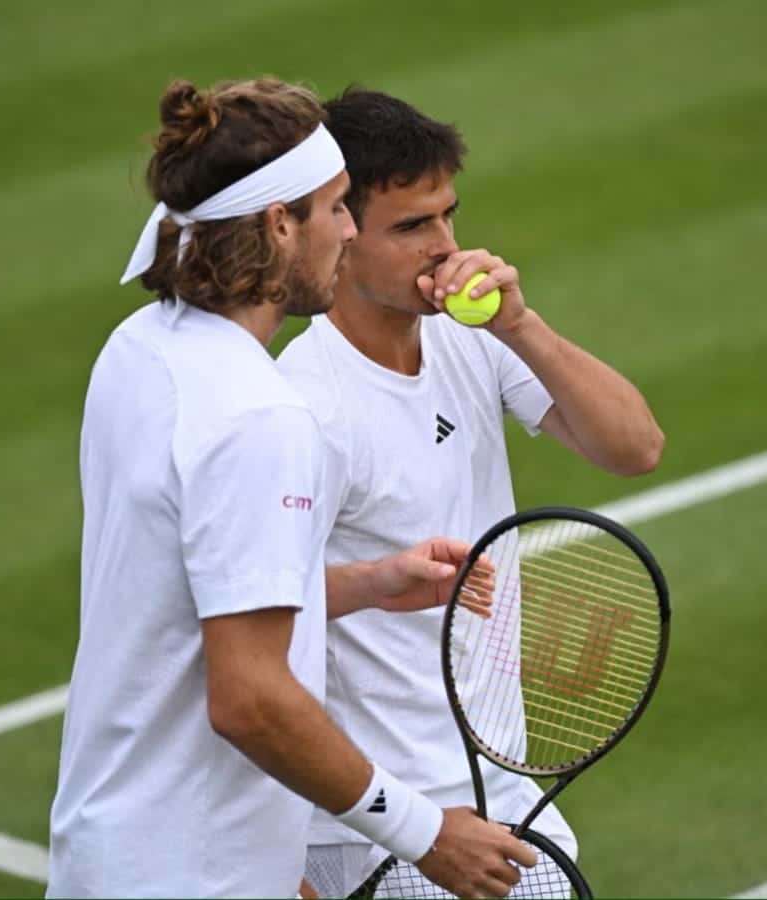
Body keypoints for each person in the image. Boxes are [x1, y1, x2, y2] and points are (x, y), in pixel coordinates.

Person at [46, 78, 535, 899]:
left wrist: (371, 584)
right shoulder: (263, 417)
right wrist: (425, 832)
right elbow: (251, 699)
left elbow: (187, 598)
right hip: (196, 877)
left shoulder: (137, 351)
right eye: (338, 208)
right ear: (279, 224)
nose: (349, 233)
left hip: (115, 857)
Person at [277, 88, 666, 897]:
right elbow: (254, 627)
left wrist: (519, 326)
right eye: (413, 226)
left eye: (449, 215)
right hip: (380, 830)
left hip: (502, 794)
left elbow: (634, 447)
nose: (445, 246)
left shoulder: (472, 338)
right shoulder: (301, 408)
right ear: (342, 231)